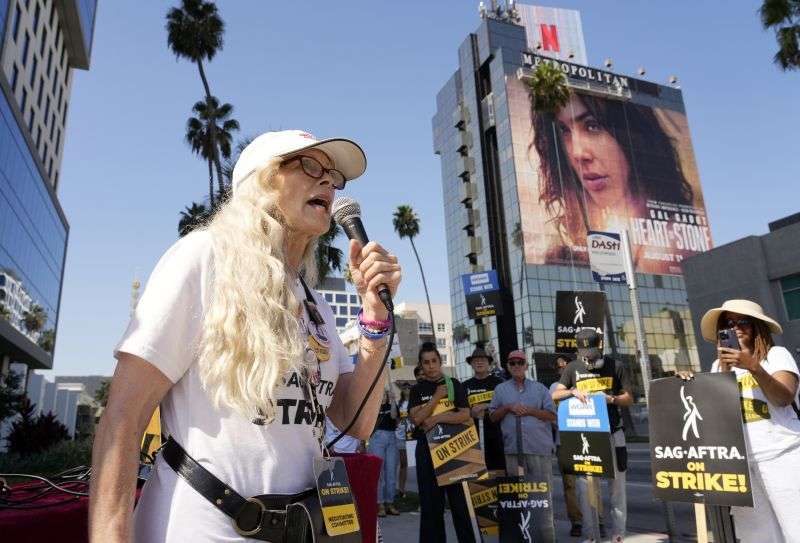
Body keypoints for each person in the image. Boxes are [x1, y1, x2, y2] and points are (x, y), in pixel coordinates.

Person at [89, 130, 402, 541]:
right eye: (310, 165)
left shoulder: (317, 305)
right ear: (261, 181)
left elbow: (355, 421)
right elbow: (123, 417)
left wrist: (375, 320)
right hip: (204, 526)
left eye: (332, 174)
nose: (328, 180)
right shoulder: (203, 258)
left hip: (305, 526)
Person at [678, 299, 800, 542]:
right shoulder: (717, 366)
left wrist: (754, 366)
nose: (736, 327)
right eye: (729, 323)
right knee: (758, 536)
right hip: (740, 464)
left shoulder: (775, 355)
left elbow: (783, 397)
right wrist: (690, 382)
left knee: (795, 528)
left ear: (757, 327)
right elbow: (713, 411)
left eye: (743, 321)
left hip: (782, 455)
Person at [530, 92, 696, 269]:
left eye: (592, 126)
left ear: (633, 133)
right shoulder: (602, 227)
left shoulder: (666, 246)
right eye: (564, 130)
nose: (578, 153)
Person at [552, 329, 634, 543]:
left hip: (613, 433)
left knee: (617, 489)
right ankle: (591, 535)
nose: (588, 358)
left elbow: (629, 398)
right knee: (586, 489)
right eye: (584, 353)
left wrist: (612, 399)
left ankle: (618, 534)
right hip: (585, 436)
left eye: (592, 352)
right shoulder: (572, 368)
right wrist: (571, 392)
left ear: (600, 346)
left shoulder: (615, 366)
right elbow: (555, 394)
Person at [409, 342, 475, 543]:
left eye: (434, 361)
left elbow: (465, 414)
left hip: (454, 450)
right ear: (421, 365)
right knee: (431, 508)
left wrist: (437, 418)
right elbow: (416, 419)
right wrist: (437, 397)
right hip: (427, 453)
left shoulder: (454, 384)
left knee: (461, 505)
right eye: (426, 362)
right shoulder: (417, 390)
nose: (431, 366)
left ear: (440, 361)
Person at [489, 350, 556, 540]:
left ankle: (546, 536)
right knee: (518, 499)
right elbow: (493, 417)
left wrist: (531, 411)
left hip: (539, 449)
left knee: (543, 498)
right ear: (508, 366)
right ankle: (522, 536)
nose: (516, 365)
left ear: (526, 365)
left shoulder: (540, 389)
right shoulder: (501, 390)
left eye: (520, 362)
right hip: (513, 452)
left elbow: (552, 416)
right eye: (512, 363)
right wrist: (508, 407)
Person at [549, 356, 583, 537]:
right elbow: (550, 414)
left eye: (566, 365)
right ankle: (576, 520)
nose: (563, 368)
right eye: (559, 366)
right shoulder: (555, 387)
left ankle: (597, 519)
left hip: (587, 439)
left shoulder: (585, 381)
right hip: (564, 441)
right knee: (570, 484)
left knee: (591, 483)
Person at [463, 347, 506, 471]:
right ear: (471, 364)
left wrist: (487, 406)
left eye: (482, 359)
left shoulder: (499, 383)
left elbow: (507, 405)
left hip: (497, 436)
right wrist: (471, 412)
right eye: (475, 360)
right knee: (478, 478)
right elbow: (461, 410)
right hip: (473, 438)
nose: (479, 362)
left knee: (498, 473)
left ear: (489, 363)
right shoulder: (464, 386)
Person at [368, 389, 400, 517]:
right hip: (377, 437)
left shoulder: (392, 405)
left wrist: (393, 401)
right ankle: (379, 503)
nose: (383, 397)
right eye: (380, 394)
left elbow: (393, 416)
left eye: (385, 394)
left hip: (391, 437)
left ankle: (389, 503)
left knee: (391, 472)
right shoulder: (372, 407)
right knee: (378, 473)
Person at [395, 385, 411, 499]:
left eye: (409, 388)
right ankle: (401, 489)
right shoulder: (399, 404)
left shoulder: (414, 402)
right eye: (404, 388)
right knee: (403, 464)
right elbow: (395, 420)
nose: (407, 391)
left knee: (411, 464)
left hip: (411, 437)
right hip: (399, 437)